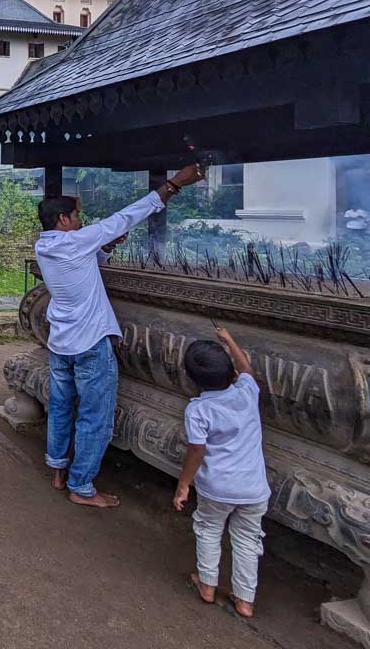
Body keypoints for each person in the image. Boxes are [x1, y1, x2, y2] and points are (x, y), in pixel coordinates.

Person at [37, 164, 206, 508]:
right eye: (77, 216)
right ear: (64, 221)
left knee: (60, 407)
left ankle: (57, 470)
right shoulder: (77, 240)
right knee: (94, 418)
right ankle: (81, 486)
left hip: (60, 343)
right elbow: (127, 216)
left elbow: (85, 262)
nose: (81, 221)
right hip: (89, 344)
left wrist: (106, 247)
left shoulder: (46, 246)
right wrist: (173, 183)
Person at [174, 327, 270, 618]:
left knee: (208, 529)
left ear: (191, 379)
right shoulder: (246, 390)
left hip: (217, 488)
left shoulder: (199, 409)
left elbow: (196, 451)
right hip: (254, 488)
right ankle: (245, 600)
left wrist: (183, 485)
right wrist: (229, 341)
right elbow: (248, 369)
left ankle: (207, 585)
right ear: (231, 373)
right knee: (247, 539)